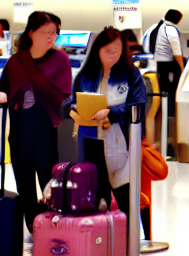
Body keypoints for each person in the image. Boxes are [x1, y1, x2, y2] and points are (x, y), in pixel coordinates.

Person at [0, 11, 71, 236]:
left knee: (49, 180)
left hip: (46, 128)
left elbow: (63, 96)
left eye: (55, 32)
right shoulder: (16, 60)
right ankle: (33, 225)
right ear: (32, 33)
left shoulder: (59, 60)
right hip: (19, 128)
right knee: (24, 183)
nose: (52, 36)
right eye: (47, 32)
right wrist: (2, 95)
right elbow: (2, 86)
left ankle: (53, 228)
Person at [64, 26, 149, 223]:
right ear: (98, 50)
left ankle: (128, 243)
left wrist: (111, 113)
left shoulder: (130, 74)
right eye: (108, 50)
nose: (113, 54)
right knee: (95, 194)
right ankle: (100, 243)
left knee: (125, 193)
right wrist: (73, 109)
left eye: (117, 50)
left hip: (120, 141)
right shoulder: (87, 73)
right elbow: (71, 100)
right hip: (91, 139)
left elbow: (137, 107)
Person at [145, 9, 185, 136]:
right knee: (168, 94)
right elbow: (176, 51)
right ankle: (170, 117)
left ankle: (162, 118)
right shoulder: (171, 29)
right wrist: (183, 69)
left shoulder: (152, 28)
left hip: (151, 66)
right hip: (165, 66)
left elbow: (144, 44)